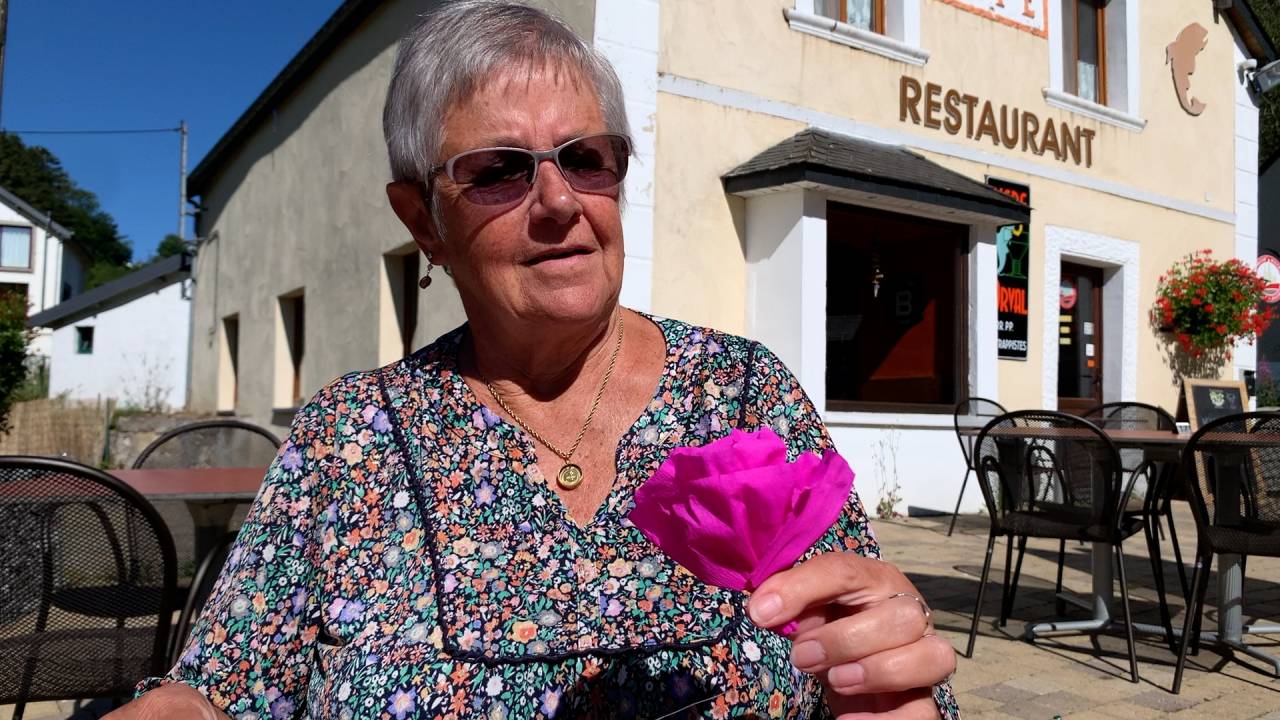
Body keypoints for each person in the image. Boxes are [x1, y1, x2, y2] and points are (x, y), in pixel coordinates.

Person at [111, 1, 957, 717]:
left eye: (587, 159)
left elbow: (873, 640)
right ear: (421, 222)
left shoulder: (741, 392)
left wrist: (892, 678)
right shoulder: (348, 435)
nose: (560, 202)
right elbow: (216, 693)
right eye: (498, 172)